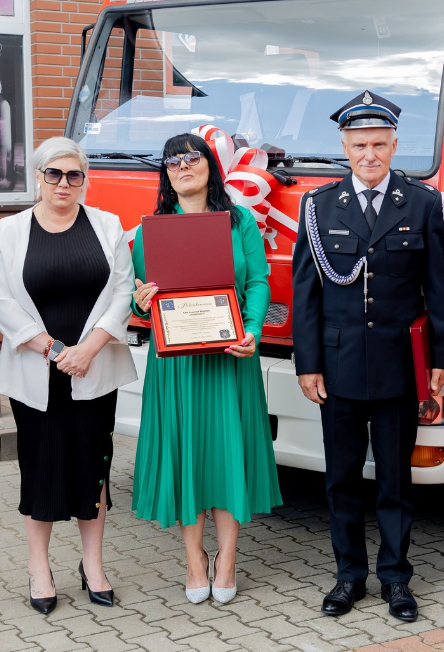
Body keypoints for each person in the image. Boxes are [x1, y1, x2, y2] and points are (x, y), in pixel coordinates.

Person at [292, 90, 444, 623]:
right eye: (359, 144)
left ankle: (395, 578)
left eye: (379, 145)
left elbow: (439, 290)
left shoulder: (423, 203)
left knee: (394, 480)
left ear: (394, 145)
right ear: (344, 145)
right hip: (336, 367)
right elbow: (306, 292)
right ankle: (348, 576)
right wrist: (306, 362)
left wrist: (440, 359)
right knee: (340, 479)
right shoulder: (318, 207)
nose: (369, 154)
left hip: (396, 369)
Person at [129, 132, 283, 605]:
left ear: (209, 166)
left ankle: (229, 560)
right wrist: (141, 301)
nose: (182, 167)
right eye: (172, 161)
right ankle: (195, 561)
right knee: (187, 455)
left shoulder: (238, 222)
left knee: (226, 452)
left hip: (230, 357)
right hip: (176, 364)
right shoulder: (149, 229)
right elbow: (142, 297)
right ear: (165, 174)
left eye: (191, 158)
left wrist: (252, 330)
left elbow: (257, 282)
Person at [0, 137, 137, 614]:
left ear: (84, 179)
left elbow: (122, 291)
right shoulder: (8, 231)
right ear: (38, 177)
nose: (64, 183)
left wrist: (88, 349)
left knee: (93, 472)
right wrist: (54, 350)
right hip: (38, 371)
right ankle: (39, 567)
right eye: (53, 174)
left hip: (94, 368)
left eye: (74, 175)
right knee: (41, 471)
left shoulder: (107, 225)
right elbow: (0, 301)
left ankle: (93, 565)